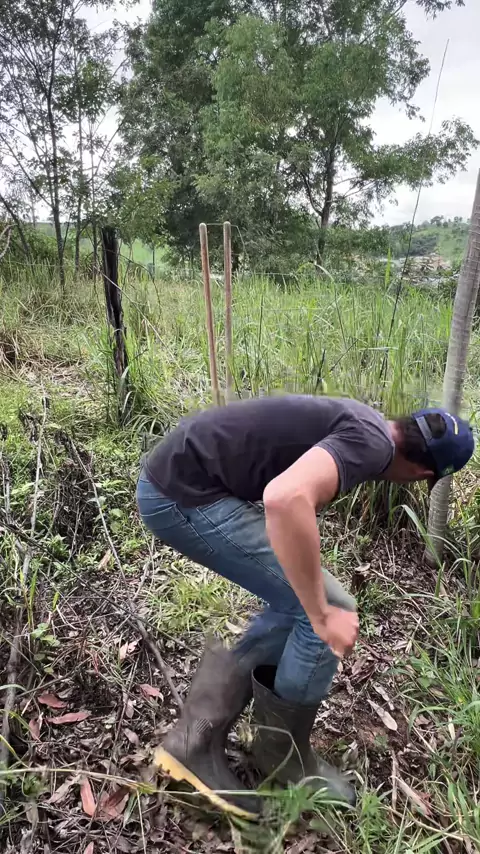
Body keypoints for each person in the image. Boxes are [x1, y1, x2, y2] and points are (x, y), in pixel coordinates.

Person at [136, 395, 474, 820]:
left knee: (294, 598)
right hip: (182, 495)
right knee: (329, 605)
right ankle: (277, 756)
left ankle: (204, 734)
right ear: (423, 475)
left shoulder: (369, 424)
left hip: (180, 478)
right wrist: (320, 613)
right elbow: (284, 497)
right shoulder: (373, 446)